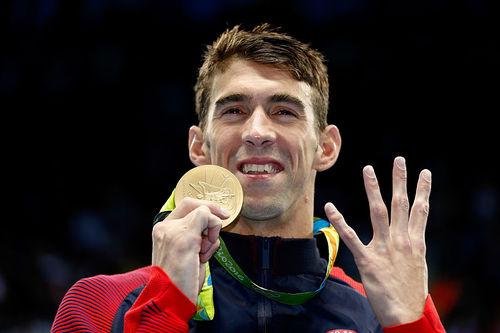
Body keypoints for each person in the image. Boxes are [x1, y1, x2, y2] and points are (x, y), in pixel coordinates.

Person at [51, 23, 445, 332]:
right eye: (234, 110)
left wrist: (413, 326)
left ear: (326, 148)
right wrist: (165, 305)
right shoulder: (100, 303)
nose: (257, 131)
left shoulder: (378, 316)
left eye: (284, 112)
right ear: (198, 146)